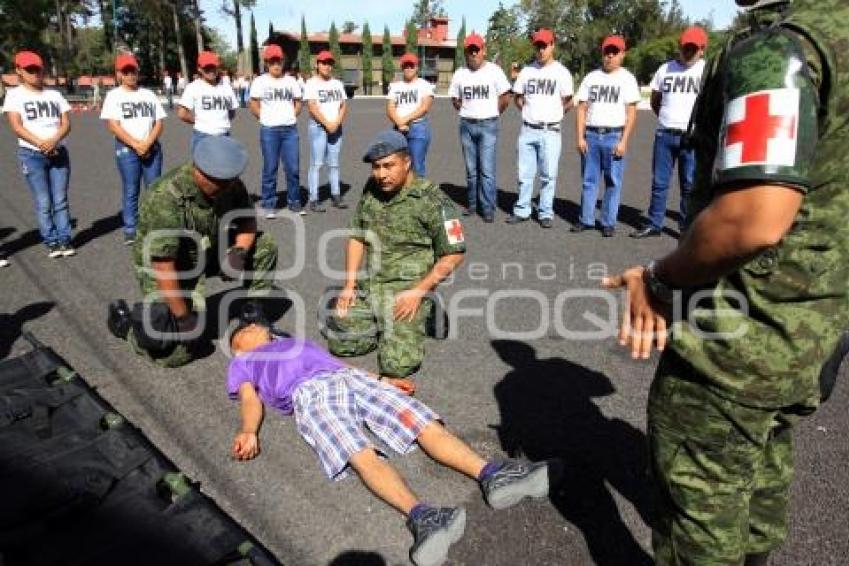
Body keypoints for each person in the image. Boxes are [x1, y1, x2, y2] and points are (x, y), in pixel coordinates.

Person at [603, 1, 849, 564]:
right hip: (812, 323)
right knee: (762, 478)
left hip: (741, 335)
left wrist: (659, 281)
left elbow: (752, 219)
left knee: (702, 514)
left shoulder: (780, 46)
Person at [228, 320, 549, 566]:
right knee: (359, 453)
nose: (256, 325)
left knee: (422, 422)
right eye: (245, 329)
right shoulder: (243, 362)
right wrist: (248, 430)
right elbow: (249, 399)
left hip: (349, 380)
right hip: (309, 395)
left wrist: (381, 379)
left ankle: (493, 475)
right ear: (238, 347)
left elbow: (341, 366)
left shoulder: (297, 343)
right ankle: (424, 518)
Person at [106, 136, 278, 368]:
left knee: (264, 246)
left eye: (229, 181)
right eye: (220, 182)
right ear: (199, 171)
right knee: (177, 353)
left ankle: (251, 313)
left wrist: (238, 252)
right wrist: (184, 319)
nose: (227, 188)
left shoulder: (229, 183)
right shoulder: (165, 199)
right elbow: (163, 268)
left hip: (207, 250)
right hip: (172, 266)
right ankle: (125, 324)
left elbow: (247, 222)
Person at [324, 130, 465, 380]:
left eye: (389, 166)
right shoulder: (372, 189)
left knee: (396, 365)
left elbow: (453, 255)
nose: (381, 174)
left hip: (407, 288)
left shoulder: (433, 200)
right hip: (373, 283)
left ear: (407, 162)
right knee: (341, 343)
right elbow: (357, 235)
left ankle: (425, 312)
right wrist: (349, 285)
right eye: (376, 167)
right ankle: (384, 324)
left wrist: (418, 292)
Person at [631, 26, 708, 239]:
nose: (688, 52)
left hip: (691, 137)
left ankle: (685, 228)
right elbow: (656, 100)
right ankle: (654, 224)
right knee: (659, 182)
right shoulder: (665, 69)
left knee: (689, 185)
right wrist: (666, 118)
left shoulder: (706, 71)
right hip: (665, 134)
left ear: (702, 49)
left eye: (693, 48)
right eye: (685, 48)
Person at [2, 50, 75, 258]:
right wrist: (41, 143)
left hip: (59, 152)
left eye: (38, 69)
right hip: (32, 154)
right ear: (19, 71)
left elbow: (66, 123)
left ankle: (65, 239)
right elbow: (16, 126)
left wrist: (54, 140)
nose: (35, 73)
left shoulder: (55, 95)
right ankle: (51, 241)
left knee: (60, 199)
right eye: (29, 70)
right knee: (44, 201)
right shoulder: (15, 95)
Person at [573, 35, 640, 237]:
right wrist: (580, 137)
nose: (610, 56)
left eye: (614, 52)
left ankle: (608, 222)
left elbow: (631, 112)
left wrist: (624, 141)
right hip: (592, 135)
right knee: (589, 180)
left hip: (614, 136)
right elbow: (582, 109)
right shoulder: (591, 78)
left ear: (622, 54)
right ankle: (586, 219)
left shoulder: (627, 79)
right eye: (606, 52)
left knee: (613, 181)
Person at [506, 28, 574, 229]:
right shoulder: (527, 71)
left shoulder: (561, 72)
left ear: (553, 45)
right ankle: (522, 209)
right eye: (538, 46)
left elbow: (568, 100)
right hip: (528, 130)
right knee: (524, 175)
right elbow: (517, 97)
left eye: (545, 45)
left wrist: (556, 115)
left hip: (550, 131)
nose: (541, 50)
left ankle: (545, 212)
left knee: (548, 175)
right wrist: (526, 111)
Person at [100, 53, 166, 245]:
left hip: (151, 147)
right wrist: (136, 144)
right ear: (119, 73)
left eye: (133, 70)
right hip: (128, 149)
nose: (130, 75)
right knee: (131, 189)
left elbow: (159, 123)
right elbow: (113, 125)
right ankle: (131, 228)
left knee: (154, 189)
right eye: (126, 71)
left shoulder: (148, 94)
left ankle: (154, 225)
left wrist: (147, 143)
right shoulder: (114, 96)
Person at [449, 33, 512, 222]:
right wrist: (464, 109)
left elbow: (505, 96)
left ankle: (487, 207)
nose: (474, 53)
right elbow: (454, 97)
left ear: (484, 51)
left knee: (487, 169)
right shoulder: (460, 73)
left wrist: (494, 113)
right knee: (471, 169)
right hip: (466, 125)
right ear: (466, 53)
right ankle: (472, 204)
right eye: (470, 50)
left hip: (488, 124)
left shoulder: (494, 71)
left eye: (477, 49)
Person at [249, 45, 302, 219]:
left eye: (278, 60)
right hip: (269, 131)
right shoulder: (260, 81)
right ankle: (269, 204)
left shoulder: (291, 81)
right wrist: (264, 118)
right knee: (270, 169)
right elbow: (253, 104)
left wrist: (290, 116)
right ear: (266, 63)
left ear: (283, 61)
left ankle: (294, 202)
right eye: (272, 61)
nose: (276, 64)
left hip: (289, 131)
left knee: (293, 169)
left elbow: (298, 103)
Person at [303, 50, 348, 213]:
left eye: (329, 63)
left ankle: (336, 195)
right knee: (317, 164)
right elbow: (312, 106)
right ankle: (314, 199)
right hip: (318, 128)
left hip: (336, 127)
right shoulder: (311, 83)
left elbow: (343, 105)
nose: (327, 66)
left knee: (334, 163)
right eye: (323, 63)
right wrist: (327, 123)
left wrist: (336, 122)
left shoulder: (337, 83)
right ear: (317, 64)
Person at [177, 51, 238, 154]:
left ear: (218, 67)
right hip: (203, 136)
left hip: (224, 136)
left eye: (213, 67)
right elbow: (182, 113)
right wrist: (199, 121)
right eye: (207, 68)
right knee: (202, 169)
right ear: (199, 69)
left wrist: (220, 121)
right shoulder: (194, 87)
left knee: (223, 169)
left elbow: (232, 112)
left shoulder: (226, 87)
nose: (211, 71)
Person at [386, 53, 435, 177]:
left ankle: (418, 195)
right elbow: (390, 108)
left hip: (418, 129)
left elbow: (424, 108)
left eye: (411, 66)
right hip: (398, 129)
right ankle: (402, 194)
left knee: (417, 166)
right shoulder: (395, 86)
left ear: (417, 67)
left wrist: (404, 120)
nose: (408, 68)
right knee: (398, 165)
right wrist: (399, 123)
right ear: (402, 67)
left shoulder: (424, 85)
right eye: (406, 66)